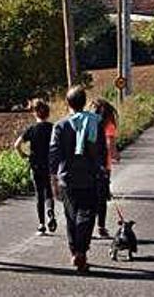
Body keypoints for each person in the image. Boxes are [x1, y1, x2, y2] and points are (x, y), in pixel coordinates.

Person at [49, 86, 108, 273]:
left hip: (67, 177)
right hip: (90, 176)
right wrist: (103, 171)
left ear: (68, 103)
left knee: (70, 216)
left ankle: (75, 251)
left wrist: (53, 179)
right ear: (84, 102)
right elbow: (102, 150)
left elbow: (54, 154)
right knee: (87, 214)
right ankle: (81, 251)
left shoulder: (60, 125)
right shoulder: (96, 123)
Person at [14, 98, 57, 234]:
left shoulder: (32, 130)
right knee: (49, 192)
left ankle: (42, 224)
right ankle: (51, 211)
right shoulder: (53, 128)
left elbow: (17, 145)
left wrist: (22, 154)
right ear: (47, 113)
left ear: (35, 113)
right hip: (49, 165)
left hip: (35, 164)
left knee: (39, 194)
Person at [91, 98, 119, 239]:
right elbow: (112, 148)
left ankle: (87, 227)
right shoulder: (109, 125)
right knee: (102, 198)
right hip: (104, 167)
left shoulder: (89, 123)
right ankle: (101, 227)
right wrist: (116, 156)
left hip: (89, 166)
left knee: (90, 196)